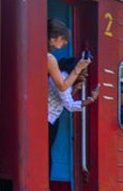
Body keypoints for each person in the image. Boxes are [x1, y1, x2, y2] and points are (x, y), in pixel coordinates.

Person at [47, 20, 91, 153]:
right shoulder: (50, 58)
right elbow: (62, 86)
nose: (65, 43)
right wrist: (78, 68)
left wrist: (74, 89)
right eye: (64, 40)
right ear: (57, 37)